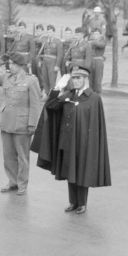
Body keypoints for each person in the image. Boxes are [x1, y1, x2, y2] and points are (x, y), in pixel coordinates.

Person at [31, 66, 111, 214]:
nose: (75, 81)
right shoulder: (69, 94)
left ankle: (82, 203)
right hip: (67, 140)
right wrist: (57, 89)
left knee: (81, 172)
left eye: (78, 78)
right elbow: (50, 106)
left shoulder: (93, 98)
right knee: (70, 171)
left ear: (86, 79)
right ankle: (73, 202)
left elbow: (95, 125)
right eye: (73, 78)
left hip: (84, 143)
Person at [0, 53, 41, 195]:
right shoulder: (6, 77)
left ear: (21, 66)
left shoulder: (31, 81)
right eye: (9, 63)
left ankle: (22, 184)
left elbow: (35, 104)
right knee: (8, 155)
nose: (10, 66)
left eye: (14, 64)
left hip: (22, 123)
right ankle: (12, 181)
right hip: (6, 121)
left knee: (22, 156)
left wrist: (32, 124)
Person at [37, 25, 64, 96]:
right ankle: (46, 94)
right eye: (48, 32)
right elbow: (41, 52)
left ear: (54, 32)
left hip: (53, 63)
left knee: (52, 80)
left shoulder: (58, 41)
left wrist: (57, 65)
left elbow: (60, 55)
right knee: (45, 79)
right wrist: (40, 60)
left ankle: (52, 96)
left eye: (51, 32)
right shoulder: (44, 40)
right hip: (45, 62)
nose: (49, 33)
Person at [88, 27, 107, 93]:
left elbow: (101, 45)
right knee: (90, 80)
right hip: (90, 61)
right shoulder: (90, 40)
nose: (96, 35)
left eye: (97, 34)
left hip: (98, 62)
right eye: (94, 34)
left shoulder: (102, 40)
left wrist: (92, 42)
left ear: (100, 34)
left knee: (97, 80)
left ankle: (98, 97)